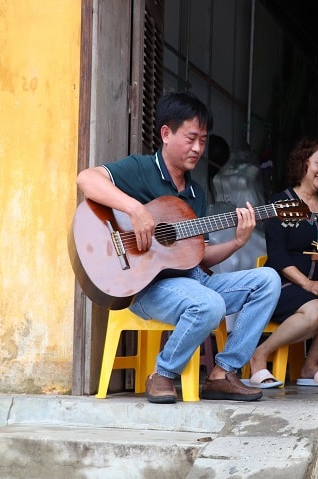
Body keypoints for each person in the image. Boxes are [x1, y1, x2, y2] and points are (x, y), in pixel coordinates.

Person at [76, 91, 281, 403]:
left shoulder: (196, 194)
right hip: (146, 287)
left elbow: (198, 256)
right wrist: (135, 209)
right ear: (166, 134)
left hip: (194, 282)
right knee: (210, 304)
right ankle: (163, 373)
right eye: (191, 138)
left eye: (203, 140)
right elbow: (86, 179)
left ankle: (221, 373)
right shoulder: (141, 169)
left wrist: (238, 242)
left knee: (267, 280)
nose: (198, 148)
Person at [246, 137, 318, 388]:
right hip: (282, 285)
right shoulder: (280, 203)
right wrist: (308, 283)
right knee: (316, 310)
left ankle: (309, 365)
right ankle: (260, 355)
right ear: (303, 162)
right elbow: (277, 255)